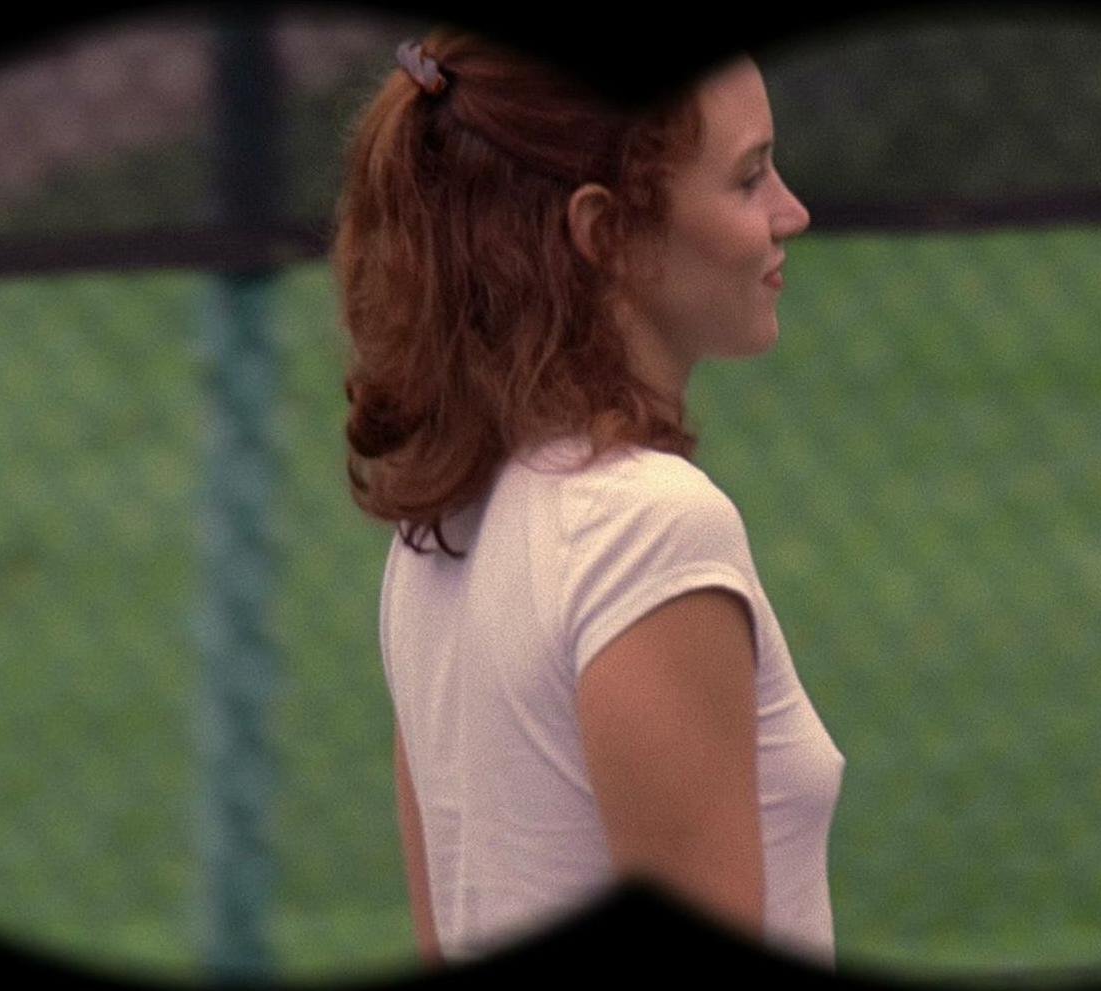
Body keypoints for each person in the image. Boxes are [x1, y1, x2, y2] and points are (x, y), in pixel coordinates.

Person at [333, 26, 845, 971]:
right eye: (748, 178)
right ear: (606, 233)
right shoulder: (648, 528)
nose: (792, 211)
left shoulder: (436, 530)